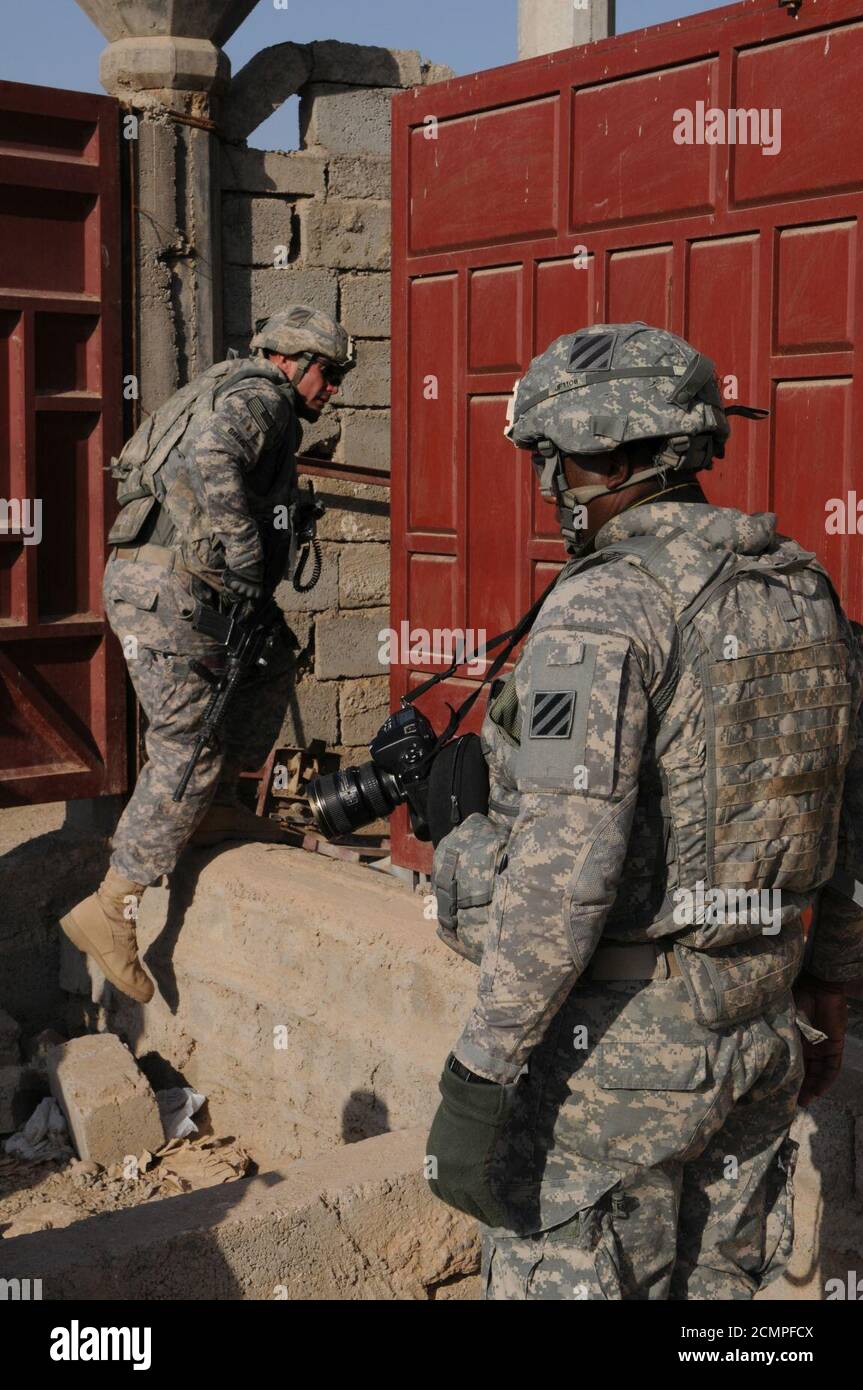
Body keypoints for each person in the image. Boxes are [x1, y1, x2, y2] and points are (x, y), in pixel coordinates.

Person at [425, 322, 863, 1299]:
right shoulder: (801, 588)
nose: (550, 486)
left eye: (562, 459)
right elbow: (848, 811)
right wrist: (825, 986)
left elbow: (562, 875)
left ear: (617, 452)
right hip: (757, 1029)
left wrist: (477, 1075)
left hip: (614, 1060)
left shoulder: (598, 611)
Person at [61, 306, 354, 1004]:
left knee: (271, 659)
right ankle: (114, 907)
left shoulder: (219, 386)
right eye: (328, 374)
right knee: (184, 746)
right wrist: (248, 552)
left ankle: (217, 808)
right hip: (176, 592)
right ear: (292, 360)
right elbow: (215, 459)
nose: (332, 390)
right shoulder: (262, 398)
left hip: (171, 584)